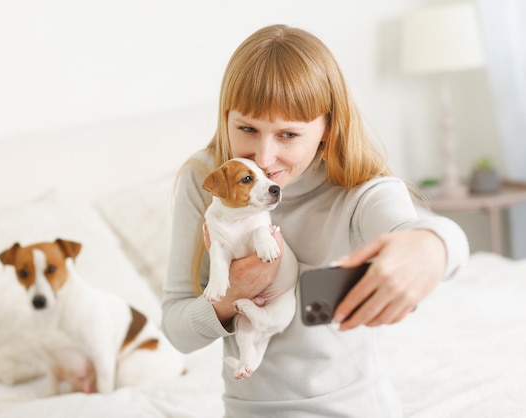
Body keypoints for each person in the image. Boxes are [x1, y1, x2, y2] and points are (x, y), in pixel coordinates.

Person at [161, 24, 469, 418]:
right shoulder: (207, 182)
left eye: (288, 135)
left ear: (327, 128)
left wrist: (431, 246)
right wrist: (233, 292)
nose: (265, 158)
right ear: (225, 118)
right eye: (247, 129)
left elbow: (437, 235)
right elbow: (176, 331)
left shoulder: (360, 190)